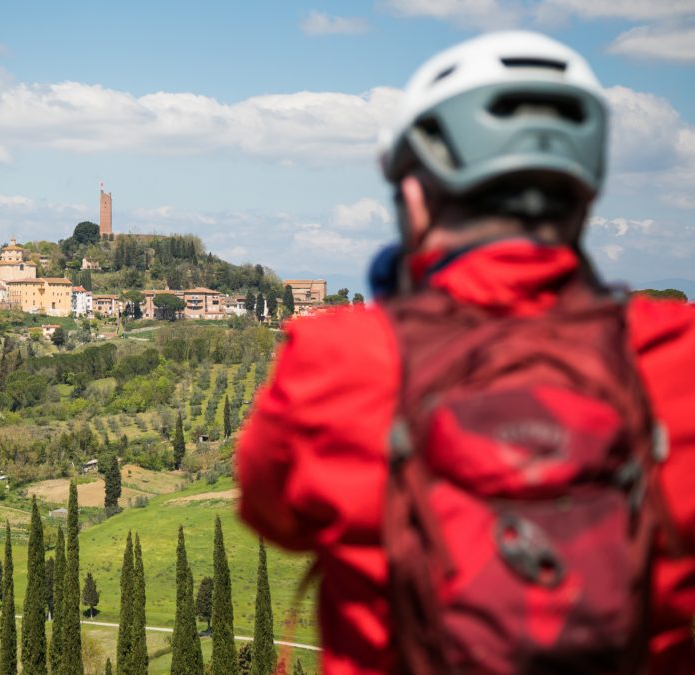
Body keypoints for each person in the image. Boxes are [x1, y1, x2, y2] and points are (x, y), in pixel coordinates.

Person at [236, 31, 695, 674]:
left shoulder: (338, 358)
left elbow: (271, 516)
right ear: (584, 195)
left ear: (418, 194)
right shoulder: (678, 355)